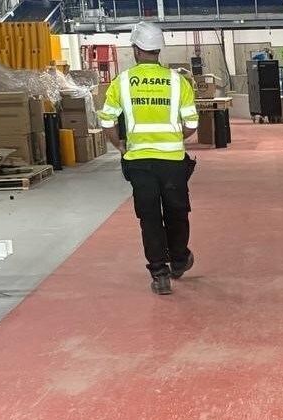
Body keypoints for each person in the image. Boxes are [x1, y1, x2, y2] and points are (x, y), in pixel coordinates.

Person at [98, 21, 199, 295]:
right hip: (172, 161)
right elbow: (192, 124)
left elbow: (107, 121)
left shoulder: (122, 82)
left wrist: (119, 144)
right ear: (158, 50)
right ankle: (179, 260)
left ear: (135, 49)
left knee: (150, 216)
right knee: (177, 212)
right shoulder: (178, 82)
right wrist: (174, 138)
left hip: (139, 162)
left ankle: (159, 274)